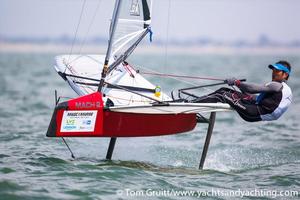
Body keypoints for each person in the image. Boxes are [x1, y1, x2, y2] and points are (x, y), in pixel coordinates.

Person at [192, 60, 292, 122]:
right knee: (225, 90)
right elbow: (253, 97)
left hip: (253, 112)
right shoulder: (285, 90)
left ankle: (190, 106)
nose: (274, 73)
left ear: (285, 74)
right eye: (273, 70)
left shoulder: (277, 86)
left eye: (277, 71)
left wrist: (236, 82)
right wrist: (240, 87)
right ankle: (195, 105)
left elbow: (252, 89)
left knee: (222, 94)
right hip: (256, 113)